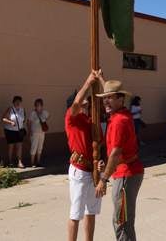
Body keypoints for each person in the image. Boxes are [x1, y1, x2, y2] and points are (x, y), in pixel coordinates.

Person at [96, 79, 144, 241]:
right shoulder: (120, 114)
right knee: (124, 220)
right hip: (125, 171)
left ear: (121, 99)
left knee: (121, 221)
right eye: (104, 98)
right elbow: (113, 153)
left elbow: (116, 153)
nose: (106, 101)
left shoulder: (119, 121)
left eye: (110, 97)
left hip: (126, 173)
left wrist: (103, 179)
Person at [65, 72, 101, 241]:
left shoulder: (90, 121)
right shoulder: (71, 119)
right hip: (79, 170)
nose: (85, 105)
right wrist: (88, 82)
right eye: (82, 104)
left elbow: (99, 145)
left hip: (92, 171)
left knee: (91, 211)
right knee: (76, 213)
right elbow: (77, 102)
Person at [1, 95, 26, 168]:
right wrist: (10, 122)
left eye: (19, 102)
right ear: (13, 102)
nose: (18, 103)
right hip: (10, 131)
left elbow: (24, 119)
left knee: (19, 146)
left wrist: (20, 125)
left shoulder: (22, 109)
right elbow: (3, 118)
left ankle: (19, 162)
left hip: (19, 131)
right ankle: (10, 161)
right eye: (16, 102)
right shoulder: (10, 109)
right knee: (11, 146)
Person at [28, 98, 49, 167]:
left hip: (42, 132)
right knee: (34, 147)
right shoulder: (33, 113)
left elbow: (47, 117)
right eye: (37, 105)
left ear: (42, 105)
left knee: (40, 147)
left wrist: (41, 115)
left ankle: (38, 161)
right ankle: (32, 162)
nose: (38, 106)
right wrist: (29, 131)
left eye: (40, 105)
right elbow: (29, 122)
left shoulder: (44, 112)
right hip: (34, 133)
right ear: (35, 106)